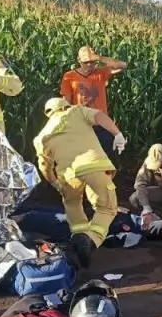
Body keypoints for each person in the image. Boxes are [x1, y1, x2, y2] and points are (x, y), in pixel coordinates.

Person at [33, 97, 128, 268]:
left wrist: (54, 183)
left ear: (48, 113)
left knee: (73, 205)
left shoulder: (41, 136)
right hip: (95, 167)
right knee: (106, 208)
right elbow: (99, 116)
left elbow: (45, 167)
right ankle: (91, 239)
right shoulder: (77, 111)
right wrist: (117, 134)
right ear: (65, 105)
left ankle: (78, 238)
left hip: (68, 175)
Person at [59, 46, 127, 160]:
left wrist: (99, 57)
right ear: (78, 60)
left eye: (92, 62)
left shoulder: (101, 73)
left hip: (102, 126)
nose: (89, 65)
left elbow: (123, 65)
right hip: (82, 126)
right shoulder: (69, 76)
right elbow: (66, 102)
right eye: (86, 62)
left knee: (105, 159)